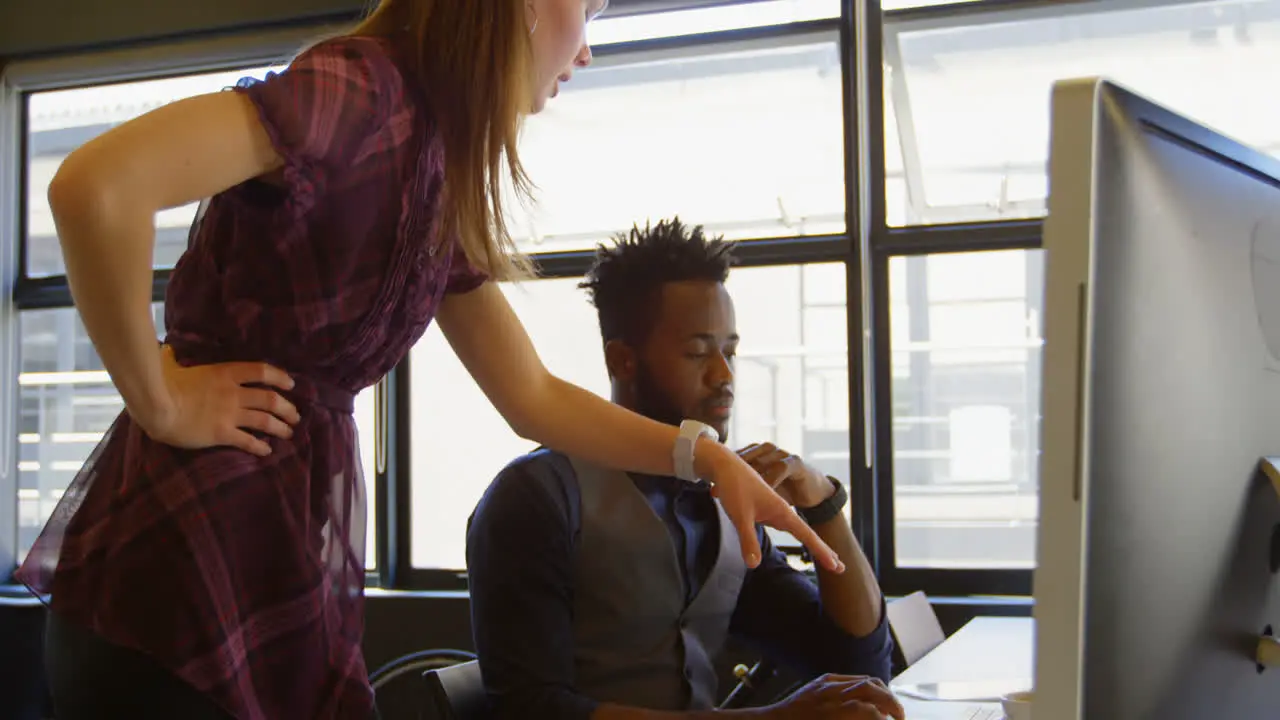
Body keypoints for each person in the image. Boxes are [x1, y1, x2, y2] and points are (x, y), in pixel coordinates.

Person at [13, 2, 844, 719]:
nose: (585, 49)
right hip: (184, 567)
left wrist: (702, 457)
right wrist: (160, 397)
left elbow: (533, 395)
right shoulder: (360, 91)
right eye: (585, 13)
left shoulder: (432, 164)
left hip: (276, 551)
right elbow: (98, 183)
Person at [466, 218, 903, 720]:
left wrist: (824, 505)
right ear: (622, 362)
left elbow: (858, 663)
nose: (725, 375)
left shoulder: (720, 503)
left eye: (730, 351)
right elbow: (531, 710)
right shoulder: (538, 497)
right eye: (697, 352)